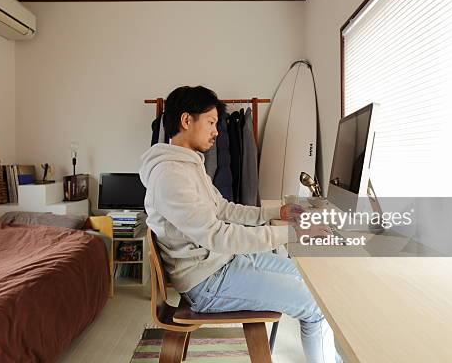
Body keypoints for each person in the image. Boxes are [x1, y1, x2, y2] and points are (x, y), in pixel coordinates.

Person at [139, 85, 342, 363]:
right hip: (207, 282)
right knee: (315, 306)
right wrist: (291, 233)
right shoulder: (171, 176)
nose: (217, 131)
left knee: (303, 277)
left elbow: (222, 209)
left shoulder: (188, 165)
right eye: (211, 122)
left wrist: (273, 214)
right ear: (187, 120)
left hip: (222, 264)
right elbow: (218, 236)